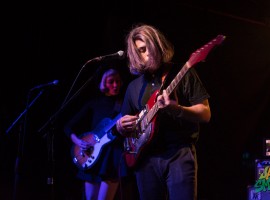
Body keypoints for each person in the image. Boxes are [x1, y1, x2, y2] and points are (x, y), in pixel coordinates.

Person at [116, 24, 211, 200]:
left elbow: (205, 114)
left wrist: (177, 109)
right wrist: (121, 126)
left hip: (179, 154)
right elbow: (124, 128)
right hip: (145, 160)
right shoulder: (133, 87)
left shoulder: (183, 73)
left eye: (147, 48)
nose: (146, 55)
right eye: (140, 51)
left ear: (157, 45)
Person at [64, 67, 131, 200]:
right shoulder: (93, 103)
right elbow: (68, 127)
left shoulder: (124, 104)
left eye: (118, 81)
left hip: (112, 158)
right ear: (103, 83)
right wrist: (79, 142)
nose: (116, 85)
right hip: (91, 155)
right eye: (111, 81)